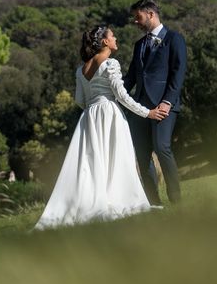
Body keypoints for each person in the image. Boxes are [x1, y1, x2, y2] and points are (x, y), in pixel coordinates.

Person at [35, 26, 166, 229]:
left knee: (93, 161)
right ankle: (121, 199)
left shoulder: (81, 70)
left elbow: (80, 100)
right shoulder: (110, 64)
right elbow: (122, 96)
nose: (115, 38)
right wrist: (147, 112)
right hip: (109, 114)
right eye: (112, 35)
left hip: (89, 117)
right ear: (105, 42)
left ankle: (94, 200)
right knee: (116, 158)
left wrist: (93, 108)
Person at [123, 0, 187, 205]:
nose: (135, 21)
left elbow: (178, 74)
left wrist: (167, 102)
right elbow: (131, 77)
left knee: (162, 148)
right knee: (141, 156)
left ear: (150, 14)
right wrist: (112, 94)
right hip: (140, 108)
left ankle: (176, 201)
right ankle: (154, 204)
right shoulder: (139, 45)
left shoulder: (174, 39)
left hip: (163, 106)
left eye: (138, 17)